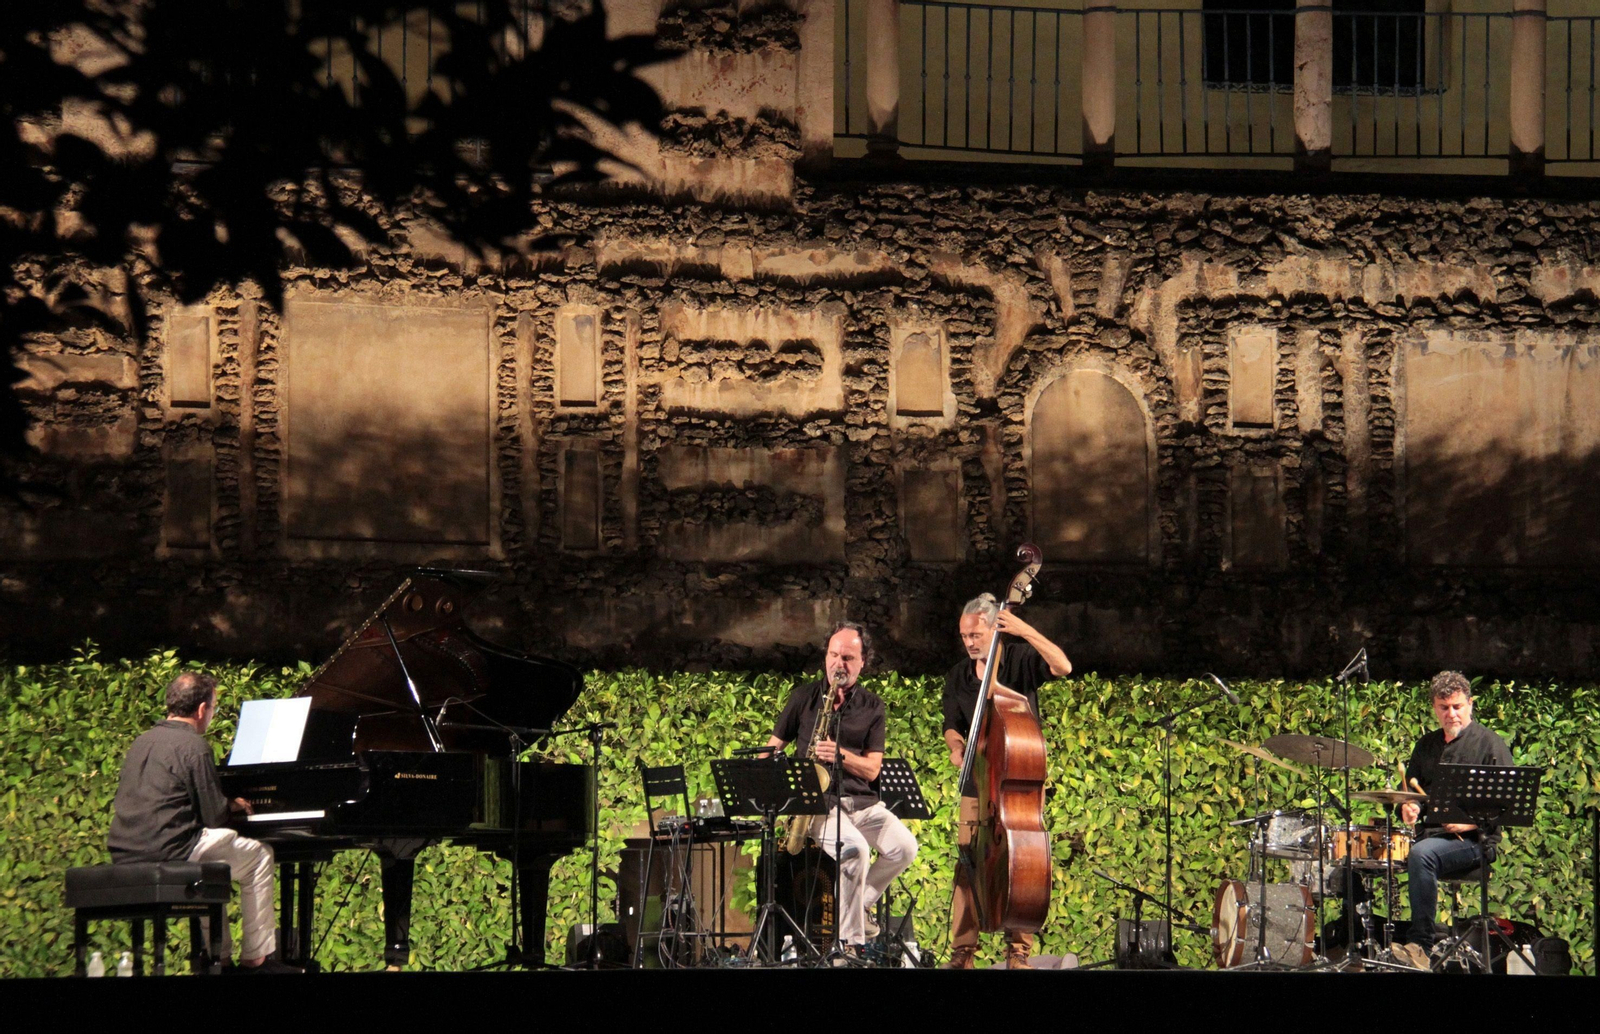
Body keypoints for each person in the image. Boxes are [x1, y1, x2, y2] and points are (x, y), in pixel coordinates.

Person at [108, 672, 297, 973]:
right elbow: (214, 816)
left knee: (212, 863)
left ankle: (219, 959)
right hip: (172, 851)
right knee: (260, 857)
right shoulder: (194, 746)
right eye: (214, 708)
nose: (211, 715)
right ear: (200, 710)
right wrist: (234, 805)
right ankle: (256, 959)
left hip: (125, 852)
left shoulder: (141, 742)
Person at [765, 623, 918, 958]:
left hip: (862, 803)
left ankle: (861, 905)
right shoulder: (804, 697)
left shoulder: (872, 707)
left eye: (847, 658)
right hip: (819, 805)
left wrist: (840, 755)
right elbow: (771, 748)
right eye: (833, 655)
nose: (838, 664)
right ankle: (850, 944)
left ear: (863, 662)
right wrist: (768, 778)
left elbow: (873, 769)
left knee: (906, 847)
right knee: (856, 850)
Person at [940, 593, 1071, 970]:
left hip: (1016, 779)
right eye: (965, 636)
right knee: (967, 863)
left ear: (995, 628)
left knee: (1021, 858)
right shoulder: (958, 675)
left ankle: (1018, 952)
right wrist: (955, 746)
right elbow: (951, 724)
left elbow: (1062, 666)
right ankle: (963, 951)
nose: (969, 642)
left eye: (976, 635)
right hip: (977, 780)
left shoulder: (1016, 660)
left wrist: (1023, 630)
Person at [1394, 671, 1512, 970]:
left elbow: (1509, 805)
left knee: (1421, 854)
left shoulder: (1489, 744)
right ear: (1435, 707)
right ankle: (1367, 941)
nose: (1451, 714)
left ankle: (1419, 945)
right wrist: (1407, 810)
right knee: (1367, 858)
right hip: (1430, 837)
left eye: (1457, 706)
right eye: (1444, 708)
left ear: (1470, 704)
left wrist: (1470, 822)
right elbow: (1409, 795)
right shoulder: (1425, 746)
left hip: (1476, 842)